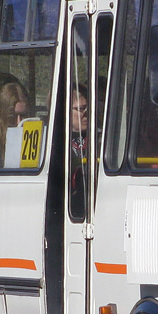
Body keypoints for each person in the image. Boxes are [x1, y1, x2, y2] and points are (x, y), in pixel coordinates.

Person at [68, 87, 89, 217]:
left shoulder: (98, 137)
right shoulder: (54, 140)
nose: (86, 113)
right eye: (81, 109)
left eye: (87, 108)